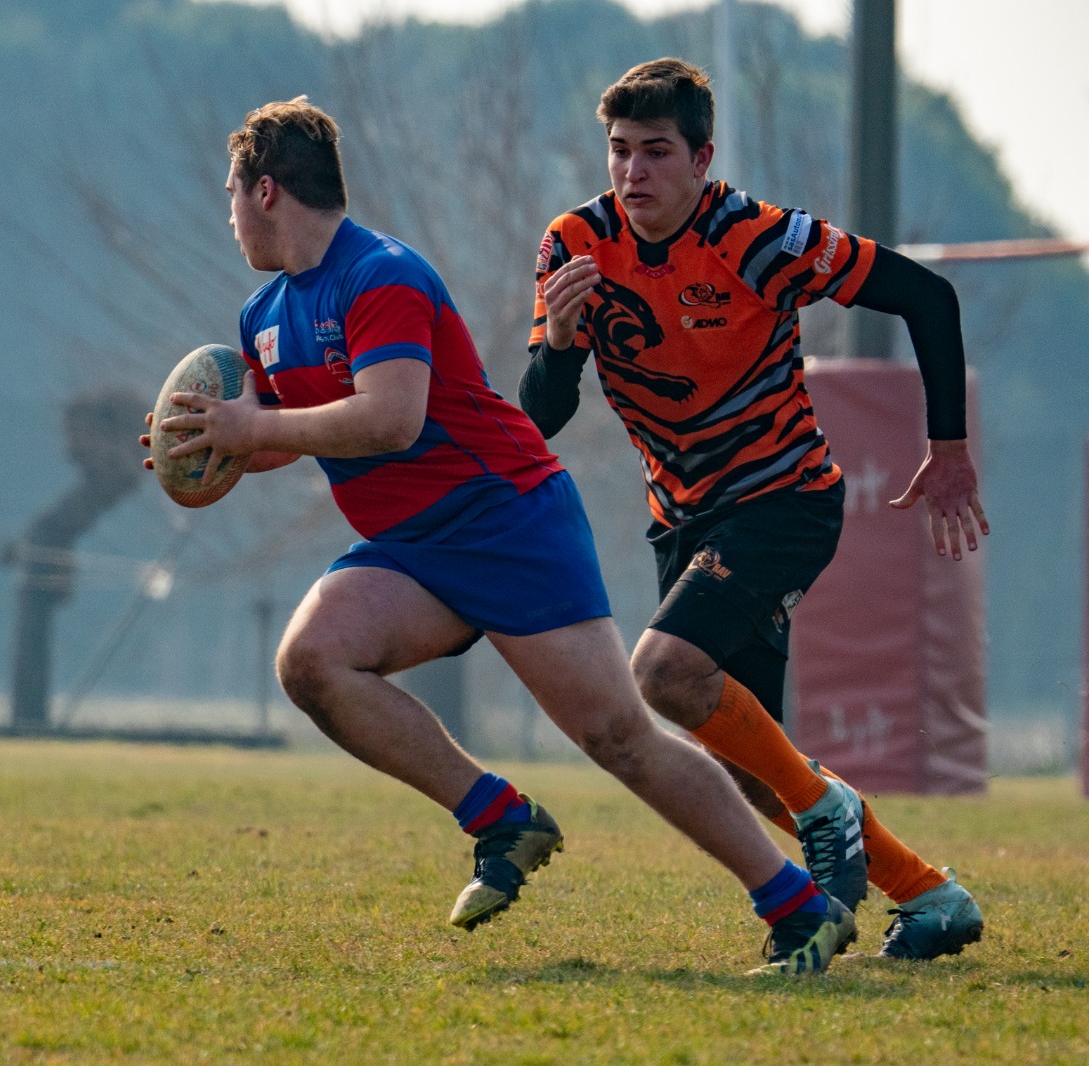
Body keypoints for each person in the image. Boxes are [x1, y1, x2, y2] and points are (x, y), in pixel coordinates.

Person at [147, 96, 856, 975]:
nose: (227, 214)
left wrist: (252, 427)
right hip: (411, 548)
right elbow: (291, 434)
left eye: (229, 192)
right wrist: (212, 446)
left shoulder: (381, 276)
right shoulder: (263, 313)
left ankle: (799, 908)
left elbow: (391, 419)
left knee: (618, 738)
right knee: (313, 662)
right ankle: (500, 818)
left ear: (265, 190)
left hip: (505, 519)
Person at [519, 58, 986, 961]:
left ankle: (830, 817)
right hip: (683, 518)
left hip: (784, 499)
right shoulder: (574, 242)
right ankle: (932, 897)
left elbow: (927, 298)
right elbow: (541, 414)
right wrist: (561, 341)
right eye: (620, 150)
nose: (633, 173)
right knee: (754, 770)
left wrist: (951, 448)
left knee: (662, 673)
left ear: (703, 159)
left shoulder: (762, 237)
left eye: (657, 152)